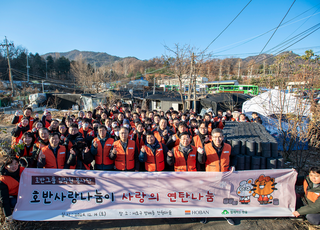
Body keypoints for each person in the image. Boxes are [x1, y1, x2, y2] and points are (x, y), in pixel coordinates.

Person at [203, 128, 235, 225]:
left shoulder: (228, 147)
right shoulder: (206, 147)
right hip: (210, 177)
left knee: (224, 197)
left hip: (224, 177)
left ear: (223, 137)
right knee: (209, 197)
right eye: (215, 137)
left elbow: (233, 157)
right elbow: (201, 161)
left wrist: (233, 165)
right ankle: (205, 214)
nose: (218, 139)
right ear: (211, 138)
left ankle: (226, 214)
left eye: (220, 137)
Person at [0, 156, 24, 221]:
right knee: (14, 202)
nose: (14, 166)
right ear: (5, 167)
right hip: (13, 197)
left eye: (16, 163)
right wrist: (8, 215)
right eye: (10, 165)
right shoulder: (3, 180)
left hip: (23, 195)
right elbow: (4, 198)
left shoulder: (24, 171)